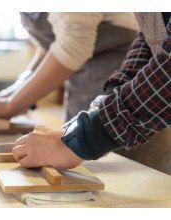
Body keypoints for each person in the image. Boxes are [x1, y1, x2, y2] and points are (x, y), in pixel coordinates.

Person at [12, 12, 171, 169]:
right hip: (124, 100)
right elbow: (148, 38)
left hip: (148, 111)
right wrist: (105, 101)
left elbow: (166, 74)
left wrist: (84, 138)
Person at [0, 13, 138, 122]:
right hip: (83, 71)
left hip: (119, 64)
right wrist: (16, 92)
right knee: (76, 151)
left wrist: (11, 106)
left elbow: (73, 44)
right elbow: (53, 43)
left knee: (107, 158)